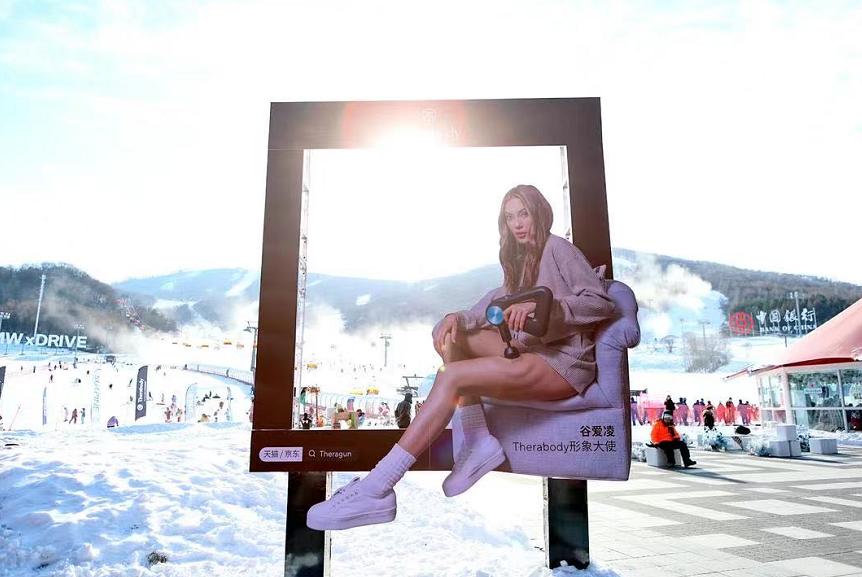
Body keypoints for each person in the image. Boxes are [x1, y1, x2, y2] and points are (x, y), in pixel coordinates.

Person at [306, 184, 617, 531]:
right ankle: (478, 440)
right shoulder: (519, 259)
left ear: (539, 213)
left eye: (524, 214)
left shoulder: (558, 249)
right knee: (454, 335)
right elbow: (496, 300)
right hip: (534, 351)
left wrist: (547, 307)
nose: (517, 224)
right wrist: (458, 317)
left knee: (451, 376)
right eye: (510, 217)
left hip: (563, 363)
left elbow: (600, 303)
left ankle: (378, 487)